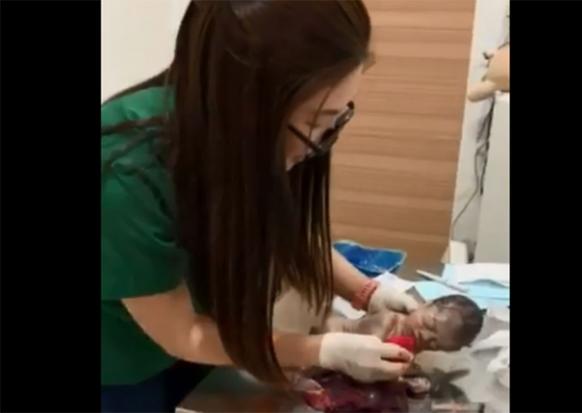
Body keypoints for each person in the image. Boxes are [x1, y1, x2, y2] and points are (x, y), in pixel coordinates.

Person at [101, 1, 420, 412]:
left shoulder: (239, 135)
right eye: (316, 121)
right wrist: (322, 350)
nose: (320, 142)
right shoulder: (127, 175)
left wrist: (367, 292)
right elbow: (183, 334)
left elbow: (281, 226)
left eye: (338, 117)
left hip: (197, 334)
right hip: (119, 360)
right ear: (244, 102)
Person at [322, 295, 484, 352]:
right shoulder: (389, 321)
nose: (424, 336)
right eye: (428, 324)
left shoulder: (413, 344)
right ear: (425, 304)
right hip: (324, 333)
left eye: (433, 344)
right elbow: (368, 345)